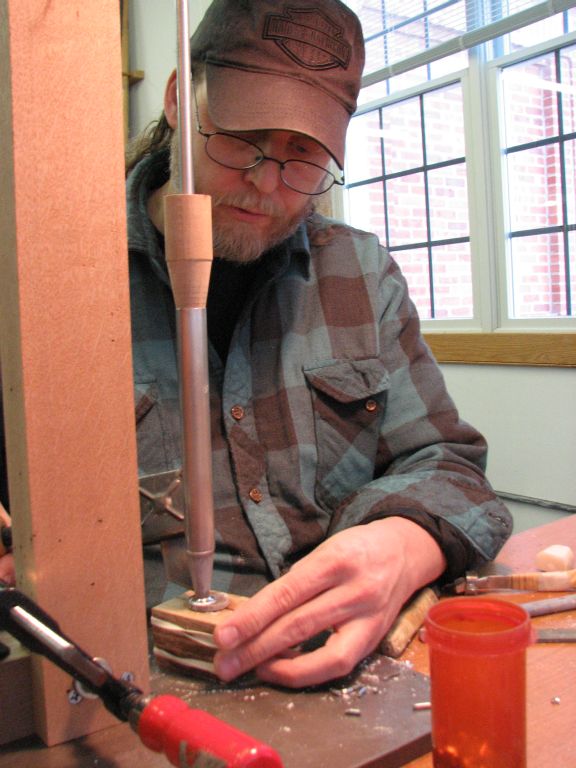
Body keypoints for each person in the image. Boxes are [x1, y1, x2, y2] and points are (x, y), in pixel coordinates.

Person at [0, 0, 512, 688]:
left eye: (303, 157)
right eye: (243, 139)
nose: (267, 184)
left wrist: (406, 539)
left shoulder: (359, 274)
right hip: (121, 691)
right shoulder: (41, 284)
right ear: (184, 98)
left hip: (344, 684)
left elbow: (448, 461)